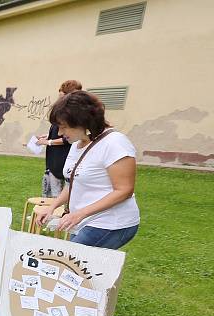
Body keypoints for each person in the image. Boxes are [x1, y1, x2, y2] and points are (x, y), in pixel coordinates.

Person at [35, 91, 139, 249]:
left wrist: (80, 214)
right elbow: (72, 183)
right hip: (82, 220)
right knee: (77, 269)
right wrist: (52, 207)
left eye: (64, 127)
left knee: (70, 265)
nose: (60, 133)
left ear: (83, 122)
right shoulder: (77, 143)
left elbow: (124, 190)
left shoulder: (115, 143)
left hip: (110, 223)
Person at [36, 80, 83, 198]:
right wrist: (48, 136)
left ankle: (53, 213)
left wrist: (49, 142)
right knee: (50, 192)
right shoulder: (62, 112)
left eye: (62, 96)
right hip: (53, 160)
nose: (59, 99)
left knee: (57, 194)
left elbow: (67, 139)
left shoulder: (73, 115)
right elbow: (59, 133)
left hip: (61, 161)